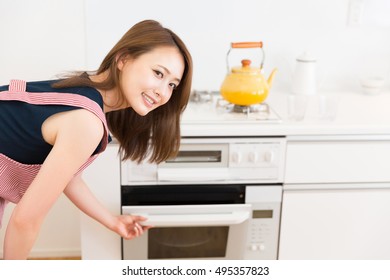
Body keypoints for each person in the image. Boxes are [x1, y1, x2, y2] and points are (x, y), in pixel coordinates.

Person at [0, 19, 193, 260]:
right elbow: (25, 221)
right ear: (123, 59)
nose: (163, 92)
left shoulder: (84, 93)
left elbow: (67, 177)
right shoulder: (87, 123)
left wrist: (112, 222)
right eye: (158, 73)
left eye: (172, 84)